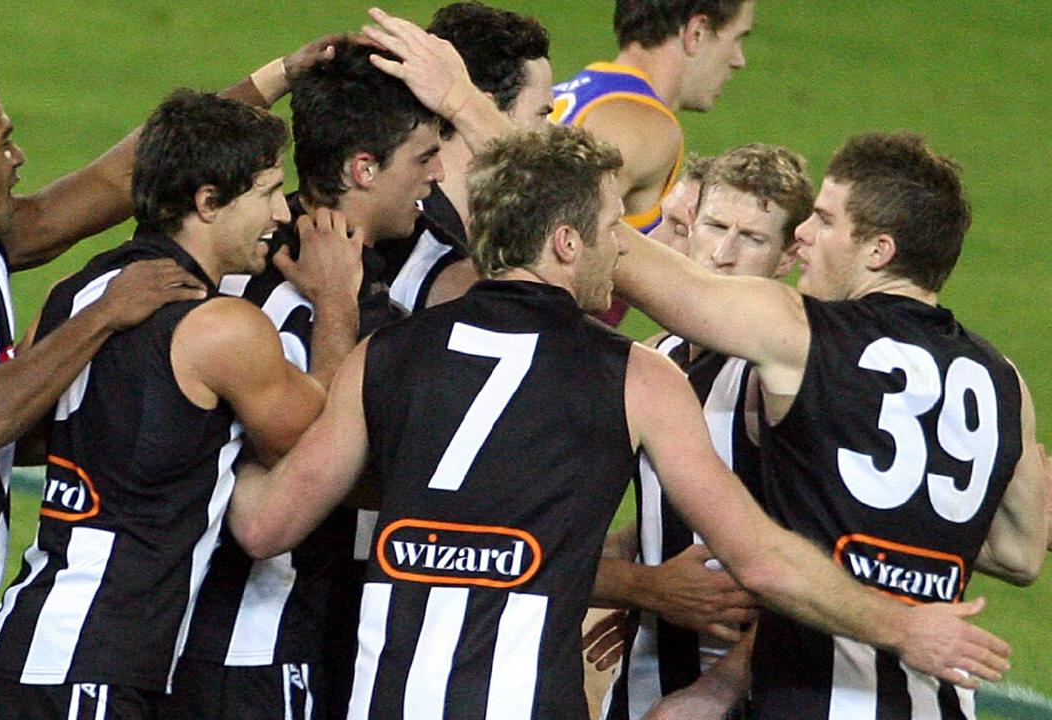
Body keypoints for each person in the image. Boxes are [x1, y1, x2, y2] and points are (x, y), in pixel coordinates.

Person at [223, 125, 1012, 720]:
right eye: (611, 227)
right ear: (566, 241)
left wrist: (221, 433)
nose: (624, 246)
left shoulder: (387, 355)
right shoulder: (637, 375)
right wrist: (904, 628)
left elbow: (263, 525)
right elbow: (764, 561)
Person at [0, 35, 348, 717]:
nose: (18, 158)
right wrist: (105, 315)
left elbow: (123, 177)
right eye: (3, 143)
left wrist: (274, 77)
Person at [612, 131, 1047, 719]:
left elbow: (672, 287)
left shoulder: (811, 338)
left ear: (877, 251)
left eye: (824, 219)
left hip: (810, 697)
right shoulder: (1005, 380)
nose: (804, 235)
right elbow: (1020, 554)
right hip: (934, 702)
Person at [0, 89, 362, 719]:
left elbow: (31, 432)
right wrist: (338, 299)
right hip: (96, 665)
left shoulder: (78, 293)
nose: (279, 213)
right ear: (208, 202)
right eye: (266, 191)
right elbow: (314, 440)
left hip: (22, 645)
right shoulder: (221, 327)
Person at [168, 40, 456, 720]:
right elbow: (310, 472)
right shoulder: (307, 298)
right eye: (422, 156)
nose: (437, 173)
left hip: (201, 640)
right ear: (362, 168)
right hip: (249, 652)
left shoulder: (226, 258)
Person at [589, 144, 815, 720]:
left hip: (750, 692)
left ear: (788, 255)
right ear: (690, 225)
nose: (722, 253)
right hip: (648, 676)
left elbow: (830, 549)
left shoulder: (780, 378)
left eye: (753, 238)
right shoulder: (655, 356)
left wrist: (722, 686)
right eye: (715, 226)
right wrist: (631, 581)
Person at [550, 0, 756, 325]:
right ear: (697, 32)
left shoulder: (576, 94)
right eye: (737, 37)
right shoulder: (642, 125)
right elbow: (548, 246)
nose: (738, 60)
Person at [422, 1, 554, 242]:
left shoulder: (497, 224)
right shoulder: (405, 235)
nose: (552, 132)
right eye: (542, 114)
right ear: (483, 109)